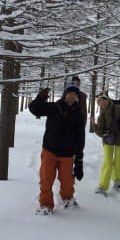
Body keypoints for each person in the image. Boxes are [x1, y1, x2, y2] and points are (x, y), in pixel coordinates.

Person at [29, 82, 85, 215]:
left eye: (74, 94)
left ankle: (67, 198)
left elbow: (80, 138)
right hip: (50, 150)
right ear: (65, 95)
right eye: (69, 93)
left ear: (77, 97)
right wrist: (41, 97)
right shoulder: (54, 107)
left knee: (67, 181)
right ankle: (46, 205)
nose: (71, 96)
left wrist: (79, 160)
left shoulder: (79, 115)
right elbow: (34, 109)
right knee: (46, 179)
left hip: (67, 154)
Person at [90, 92, 120, 195]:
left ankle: (117, 181)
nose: (102, 102)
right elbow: (100, 132)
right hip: (108, 141)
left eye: (103, 100)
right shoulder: (101, 116)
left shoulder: (118, 108)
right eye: (99, 101)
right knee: (108, 162)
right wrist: (94, 125)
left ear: (108, 100)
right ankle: (103, 186)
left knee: (119, 161)